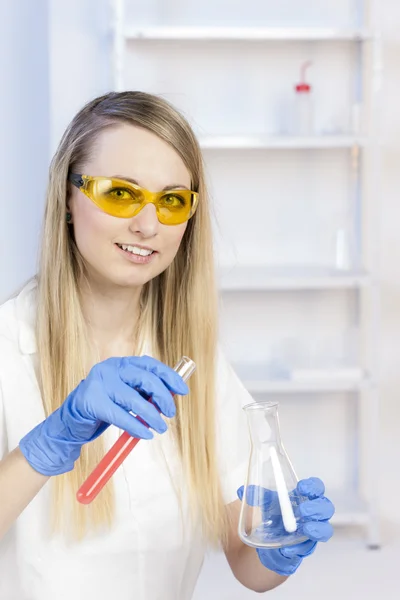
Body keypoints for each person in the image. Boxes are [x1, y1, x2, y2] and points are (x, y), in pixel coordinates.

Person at [0, 91, 334, 599]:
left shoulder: (190, 362)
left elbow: (249, 568)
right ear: (68, 198)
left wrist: (278, 543)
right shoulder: (7, 346)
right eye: (120, 193)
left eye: (172, 200)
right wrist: (47, 446)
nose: (148, 225)